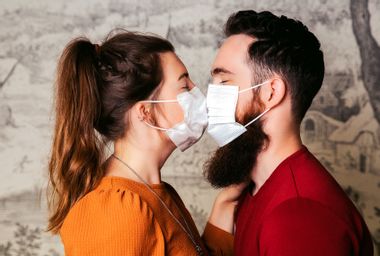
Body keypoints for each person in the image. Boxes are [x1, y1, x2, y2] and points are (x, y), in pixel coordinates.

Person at [47, 30, 235, 255]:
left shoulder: (156, 192)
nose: (198, 93)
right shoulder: (116, 209)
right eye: (184, 87)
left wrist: (227, 201)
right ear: (146, 112)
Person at [203, 10, 374, 255]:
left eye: (224, 82)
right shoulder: (253, 190)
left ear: (270, 93)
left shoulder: (299, 217)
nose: (210, 98)